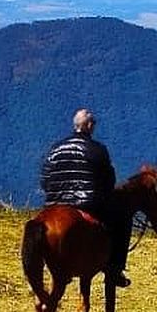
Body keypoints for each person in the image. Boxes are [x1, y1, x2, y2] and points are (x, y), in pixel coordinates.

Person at [40, 108, 131, 288]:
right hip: (88, 204)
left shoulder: (55, 149)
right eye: (94, 124)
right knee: (122, 220)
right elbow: (108, 180)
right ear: (89, 126)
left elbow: (44, 179)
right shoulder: (97, 150)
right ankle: (115, 268)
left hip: (55, 203)